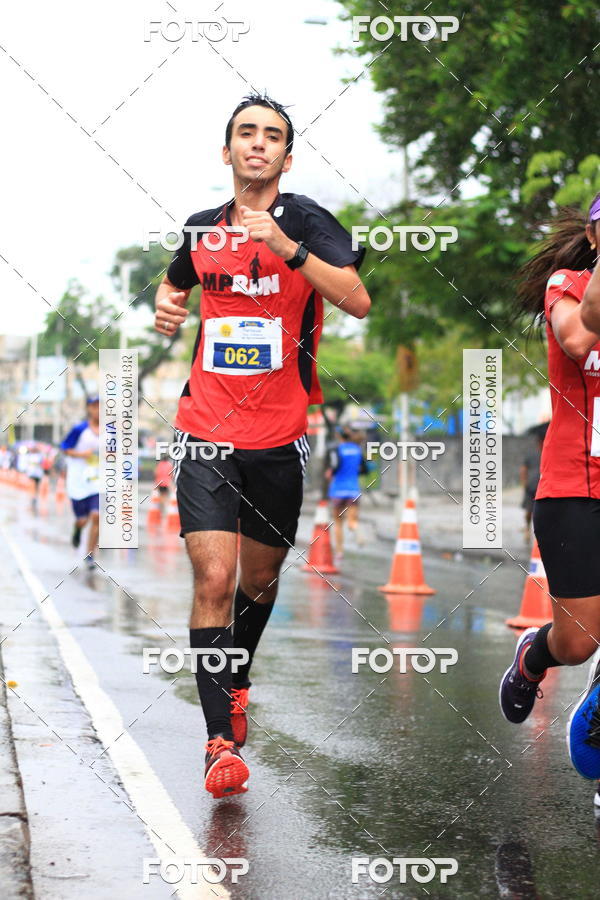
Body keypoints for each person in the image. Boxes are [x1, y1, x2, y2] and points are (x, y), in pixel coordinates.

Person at [154, 92, 370, 798]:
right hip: (206, 427)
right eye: (245, 133)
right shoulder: (201, 228)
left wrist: (288, 249)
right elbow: (177, 277)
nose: (257, 144)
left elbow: (357, 298)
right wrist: (168, 301)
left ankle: (236, 675)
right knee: (213, 579)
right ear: (227, 151)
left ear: (286, 155)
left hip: (280, 436)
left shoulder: (307, 220)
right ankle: (219, 743)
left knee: (259, 581)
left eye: (271, 136)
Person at [499, 195, 600, 790]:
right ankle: (536, 655)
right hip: (574, 488)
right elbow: (580, 340)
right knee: (580, 639)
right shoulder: (567, 285)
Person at [60, 396, 100, 570]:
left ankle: (90, 555)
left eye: (101, 406)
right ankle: (77, 529)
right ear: (89, 409)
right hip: (78, 481)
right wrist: (81, 455)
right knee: (83, 520)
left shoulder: (111, 430)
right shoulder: (79, 429)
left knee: (97, 516)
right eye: (94, 406)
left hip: (99, 481)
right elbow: (64, 449)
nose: (98, 410)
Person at [325, 427, 367, 559]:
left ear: (340, 437)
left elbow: (335, 467)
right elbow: (364, 470)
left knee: (338, 523)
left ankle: (339, 551)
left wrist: (330, 472)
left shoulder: (337, 450)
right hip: (353, 489)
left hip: (338, 490)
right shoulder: (357, 450)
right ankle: (356, 528)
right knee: (352, 520)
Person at [519, 426, 547, 532]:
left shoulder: (549, 453)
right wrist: (524, 484)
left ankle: (539, 532)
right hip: (531, 487)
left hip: (543, 488)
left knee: (541, 512)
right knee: (529, 511)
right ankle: (527, 529)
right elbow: (523, 469)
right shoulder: (531, 455)